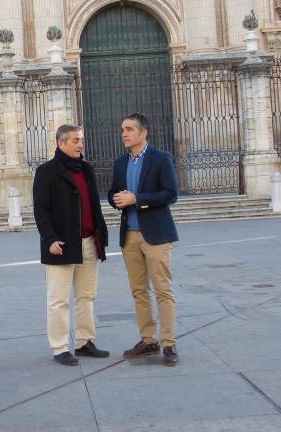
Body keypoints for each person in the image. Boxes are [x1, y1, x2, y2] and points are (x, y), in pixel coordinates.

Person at [33, 124, 110, 366]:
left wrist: (100, 235)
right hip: (62, 244)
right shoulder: (46, 171)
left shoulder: (86, 169)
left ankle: (84, 341)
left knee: (87, 296)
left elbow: (93, 206)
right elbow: (41, 209)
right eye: (76, 140)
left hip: (89, 241)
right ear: (60, 143)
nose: (80, 144)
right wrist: (50, 239)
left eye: (81, 140)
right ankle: (60, 347)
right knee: (59, 299)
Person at [107, 112, 180, 366]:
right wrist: (117, 199)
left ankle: (169, 344)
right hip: (129, 236)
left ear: (143, 133)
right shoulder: (119, 163)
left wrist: (137, 199)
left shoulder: (160, 159)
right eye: (122, 130)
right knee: (139, 291)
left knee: (163, 289)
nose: (124, 134)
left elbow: (170, 194)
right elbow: (113, 193)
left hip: (156, 235)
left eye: (128, 129)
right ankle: (148, 340)